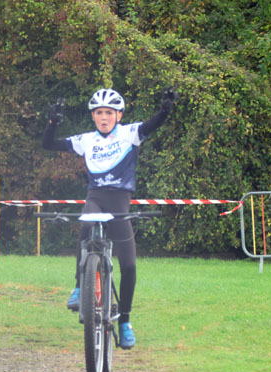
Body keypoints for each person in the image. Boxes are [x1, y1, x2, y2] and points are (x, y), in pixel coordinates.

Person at [42, 87, 178, 349]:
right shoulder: (86, 140)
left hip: (120, 203)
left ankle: (125, 321)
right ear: (93, 116)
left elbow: (153, 125)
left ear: (119, 114)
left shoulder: (130, 133)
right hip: (95, 197)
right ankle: (80, 287)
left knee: (128, 266)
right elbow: (48, 144)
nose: (104, 117)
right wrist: (52, 123)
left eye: (109, 112)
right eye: (99, 113)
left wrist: (165, 110)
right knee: (86, 223)